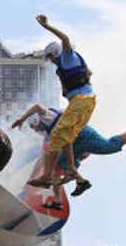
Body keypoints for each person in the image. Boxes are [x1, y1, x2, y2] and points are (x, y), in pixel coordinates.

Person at [13, 104, 126, 209]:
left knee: (109, 147)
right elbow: (46, 159)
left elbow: (37, 107)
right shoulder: (47, 134)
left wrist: (22, 118)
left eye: (35, 127)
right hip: (73, 144)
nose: (36, 131)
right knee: (57, 166)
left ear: (36, 122)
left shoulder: (47, 117)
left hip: (81, 134)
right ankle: (63, 196)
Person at [26, 14, 96, 196]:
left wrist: (47, 26)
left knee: (57, 135)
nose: (51, 61)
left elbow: (65, 39)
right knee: (65, 138)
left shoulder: (67, 56)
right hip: (84, 104)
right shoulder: (63, 65)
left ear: (56, 53)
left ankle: (47, 177)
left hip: (81, 102)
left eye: (50, 57)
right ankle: (75, 174)